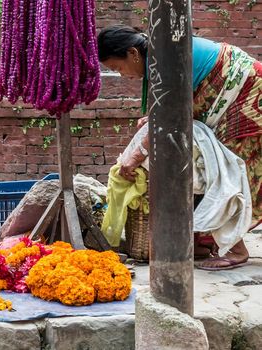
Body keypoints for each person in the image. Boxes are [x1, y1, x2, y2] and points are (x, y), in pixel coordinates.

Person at [97, 24, 261, 270]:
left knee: (222, 167)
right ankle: (205, 241)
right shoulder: (158, 54)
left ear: (133, 53)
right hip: (236, 91)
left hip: (245, 93)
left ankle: (235, 249)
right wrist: (154, 117)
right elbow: (169, 107)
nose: (122, 75)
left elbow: (167, 120)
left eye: (118, 68)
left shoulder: (165, 59)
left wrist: (135, 156)